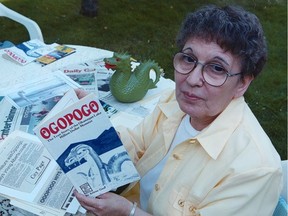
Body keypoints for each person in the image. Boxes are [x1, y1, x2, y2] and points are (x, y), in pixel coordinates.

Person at [74, 4, 283, 216]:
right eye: (189, 59)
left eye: (217, 68)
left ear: (242, 84)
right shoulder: (176, 102)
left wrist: (128, 212)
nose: (191, 80)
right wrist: (96, 124)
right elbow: (137, 145)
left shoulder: (256, 169)